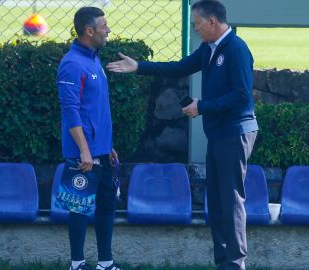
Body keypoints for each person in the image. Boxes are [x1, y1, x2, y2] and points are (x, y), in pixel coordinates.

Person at [106, 1, 258, 269]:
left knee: (231, 200)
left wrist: (203, 106)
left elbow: (242, 96)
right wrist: (139, 66)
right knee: (219, 200)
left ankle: (235, 264)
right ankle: (224, 263)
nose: (196, 29)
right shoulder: (209, 48)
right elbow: (179, 67)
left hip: (235, 134)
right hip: (219, 134)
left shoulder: (236, 49)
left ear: (212, 21)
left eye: (197, 23)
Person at [57, 6, 121, 270]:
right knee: (80, 208)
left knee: (106, 207)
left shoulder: (93, 59)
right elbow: (70, 111)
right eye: (104, 26)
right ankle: (77, 264)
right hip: (83, 154)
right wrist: (85, 150)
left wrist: (108, 146)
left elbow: (95, 109)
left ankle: (105, 264)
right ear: (89, 30)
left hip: (102, 151)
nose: (108, 30)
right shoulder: (72, 64)